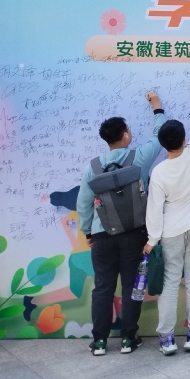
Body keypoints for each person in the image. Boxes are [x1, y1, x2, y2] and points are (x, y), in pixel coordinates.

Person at [77, 90, 166, 356]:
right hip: (134, 234)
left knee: (103, 287)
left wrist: (87, 231)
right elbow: (159, 137)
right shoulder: (139, 158)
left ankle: (100, 342)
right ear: (125, 135)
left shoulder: (92, 167)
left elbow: (83, 203)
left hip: (102, 235)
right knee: (131, 287)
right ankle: (128, 339)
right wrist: (157, 108)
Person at [144, 76, 190, 356]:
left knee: (170, 282)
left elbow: (154, 208)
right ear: (184, 140)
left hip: (170, 231)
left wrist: (152, 239)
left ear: (163, 145)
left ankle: (167, 338)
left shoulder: (158, 172)